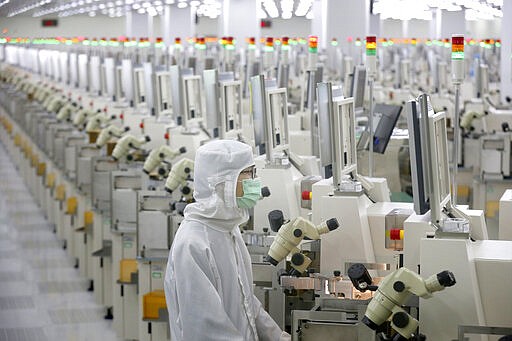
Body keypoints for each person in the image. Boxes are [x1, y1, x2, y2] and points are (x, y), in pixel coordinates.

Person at [164, 139, 290, 341]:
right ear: (223, 182)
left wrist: (278, 338)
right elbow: (206, 328)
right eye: (248, 174)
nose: (254, 181)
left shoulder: (229, 231)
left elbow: (246, 303)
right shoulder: (192, 244)